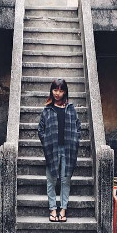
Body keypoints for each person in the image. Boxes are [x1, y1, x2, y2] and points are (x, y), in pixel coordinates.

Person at [37, 78, 81, 222]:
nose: (57, 93)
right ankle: (52, 209)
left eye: (61, 90)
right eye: (55, 90)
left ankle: (63, 209)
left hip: (68, 150)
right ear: (51, 91)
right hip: (52, 150)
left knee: (65, 180)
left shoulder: (71, 109)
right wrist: (47, 142)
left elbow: (78, 127)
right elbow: (40, 130)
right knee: (51, 181)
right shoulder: (47, 110)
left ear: (65, 92)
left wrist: (75, 140)